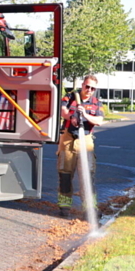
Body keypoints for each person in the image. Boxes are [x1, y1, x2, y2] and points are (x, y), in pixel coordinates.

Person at [57, 75, 106, 218]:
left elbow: (99, 120)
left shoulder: (96, 102)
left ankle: (90, 208)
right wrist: (72, 116)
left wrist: (85, 115)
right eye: (87, 86)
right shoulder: (70, 97)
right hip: (68, 139)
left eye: (92, 88)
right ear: (82, 85)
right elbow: (62, 111)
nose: (89, 90)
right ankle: (64, 206)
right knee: (65, 174)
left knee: (87, 175)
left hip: (86, 139)